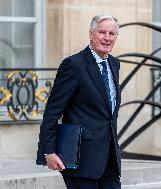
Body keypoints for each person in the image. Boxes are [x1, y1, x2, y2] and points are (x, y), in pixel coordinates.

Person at [37, 13, 121, 189]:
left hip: (110, 160)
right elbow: (53, 111)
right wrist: (49, 151)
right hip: (81, 161)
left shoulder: (114, 64)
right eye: (102, 32)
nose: (107, 38)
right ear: (91, 34)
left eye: (111, 34)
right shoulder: (74, 65)